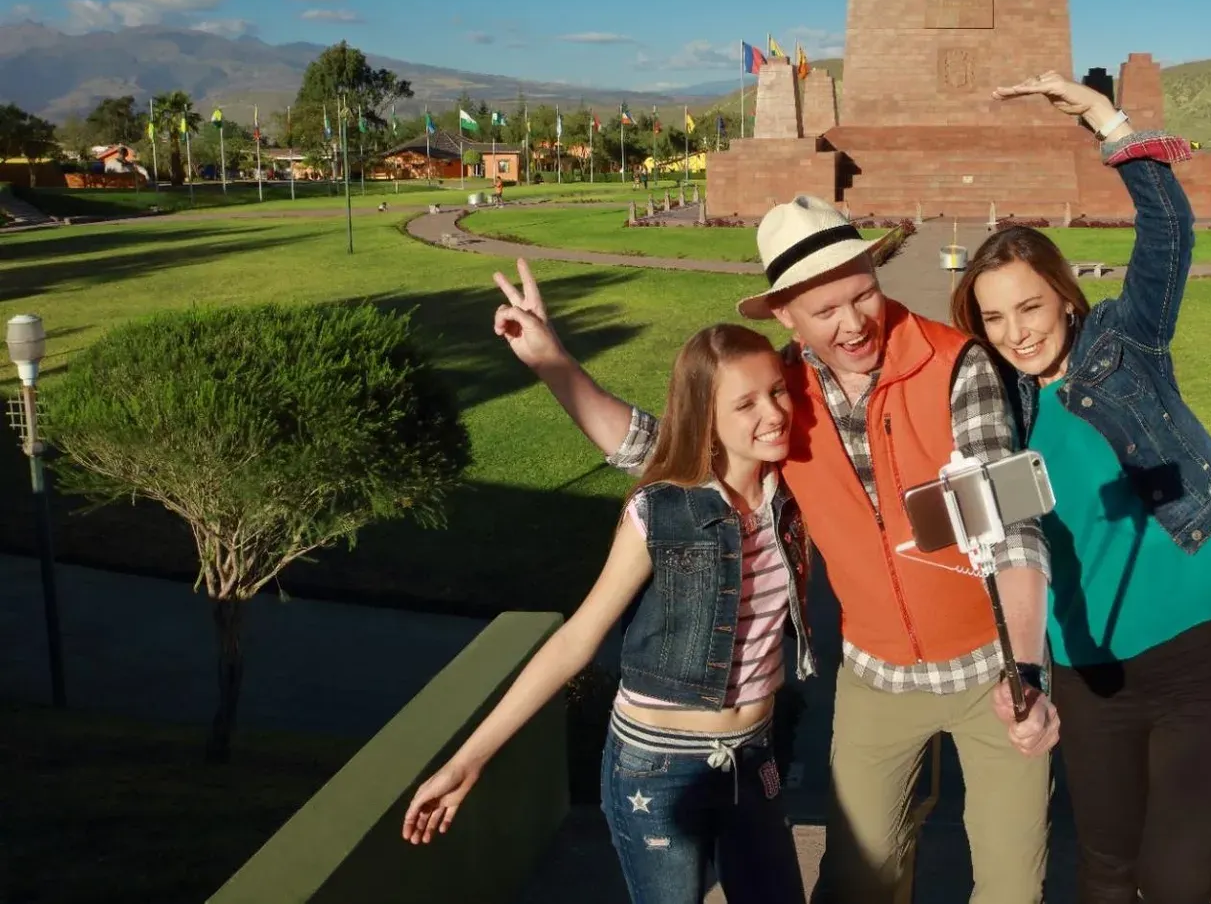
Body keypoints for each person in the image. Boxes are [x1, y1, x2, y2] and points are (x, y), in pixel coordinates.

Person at [488, 216, 1059, 902]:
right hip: (879, 676)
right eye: (826, 309)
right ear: (786, 315)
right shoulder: (783, 396)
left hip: (993, 663)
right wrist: (551, 362)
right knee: (856, 885)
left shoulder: (955, 364)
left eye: (864, 294)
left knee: (1012, 886)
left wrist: (1026, 668)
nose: (854, 323)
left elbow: (1011, 523)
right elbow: (662, 450)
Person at [950, 71, 1211, 904]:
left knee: (1173, 878)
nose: (1016, 334)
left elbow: (1169, 230)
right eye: (994, 319)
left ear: (1063, 296)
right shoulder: (996, 406)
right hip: (1089, 675)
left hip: (1196, 652)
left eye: (1030, 308)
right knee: (1108, 872)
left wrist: (1105, 120)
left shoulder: (1124, 345)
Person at [402, 322, 811, 903]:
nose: (773, 413)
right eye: (745, 404)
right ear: (706, 419)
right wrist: (469, 760)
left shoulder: (794, 495)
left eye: (777, 391)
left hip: (754, 754)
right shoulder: (662, 510)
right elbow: (577, 639)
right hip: (656, 768)